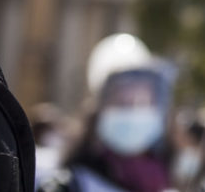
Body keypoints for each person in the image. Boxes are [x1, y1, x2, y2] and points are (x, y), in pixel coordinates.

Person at [38, 62, 175, 192]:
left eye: (143, 104)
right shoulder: (70, 185)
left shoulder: (165, 180)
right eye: (122, 103)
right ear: (101, 111)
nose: (132, 112)